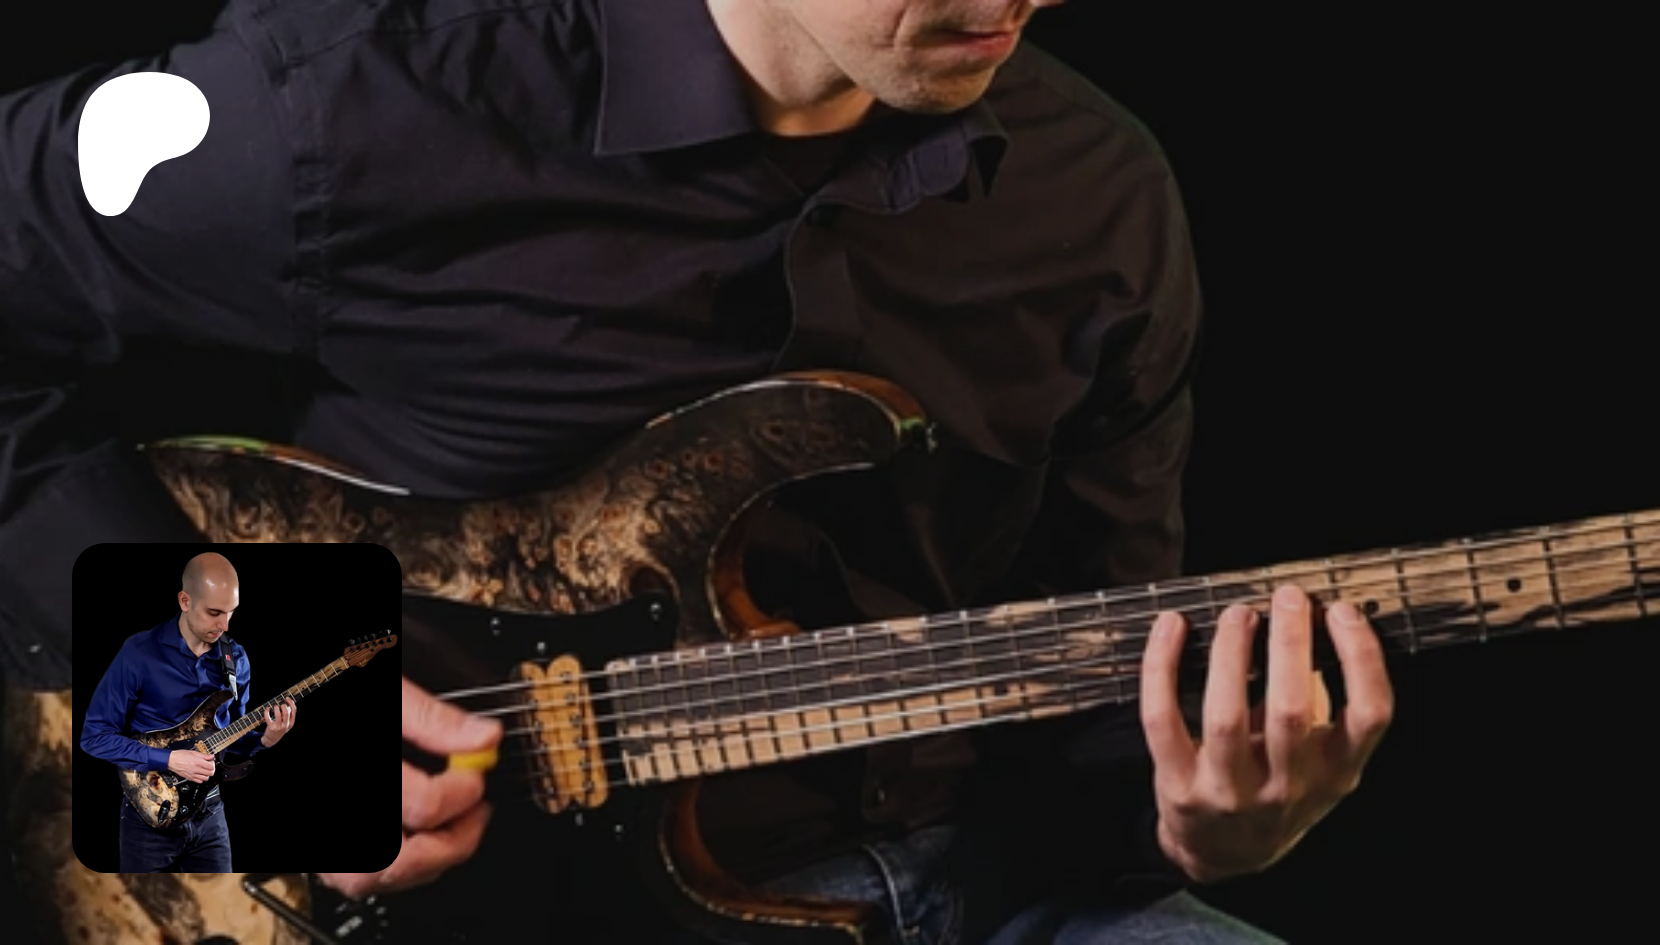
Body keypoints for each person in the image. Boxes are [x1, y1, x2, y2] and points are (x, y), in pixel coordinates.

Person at [1, 0, 1392, 941]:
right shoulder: (353, 106)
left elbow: (1094, 688)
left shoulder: (1101, 200)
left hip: (969, 882)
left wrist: (1202, 822)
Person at [77, 552, 297, 872]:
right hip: (149, 815)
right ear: (184, 601)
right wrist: (169, 760)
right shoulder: (139, 653)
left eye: (231, 612)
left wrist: (265, 740)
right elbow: (94, 737)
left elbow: (231, 738)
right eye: (214, 613)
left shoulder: (236, 659)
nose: (224, 625)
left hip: (211, 816)